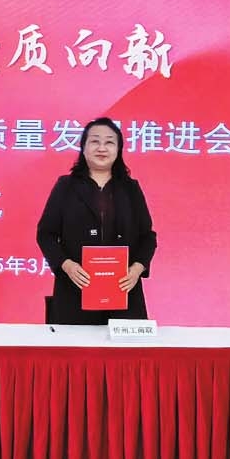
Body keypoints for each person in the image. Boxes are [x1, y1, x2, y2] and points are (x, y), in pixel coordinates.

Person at [35, 117, 158, 325]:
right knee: (76, 346)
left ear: (118, 149)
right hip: (75, 290)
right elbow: (46, 234)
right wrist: (67, 265)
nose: (102, 148)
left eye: (109, 142)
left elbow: (147, 237)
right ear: (83, 148)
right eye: (94, 141)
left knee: (125, 347)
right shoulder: (66, 186)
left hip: (124, 291)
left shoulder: (130, 188)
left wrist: (137, 269)